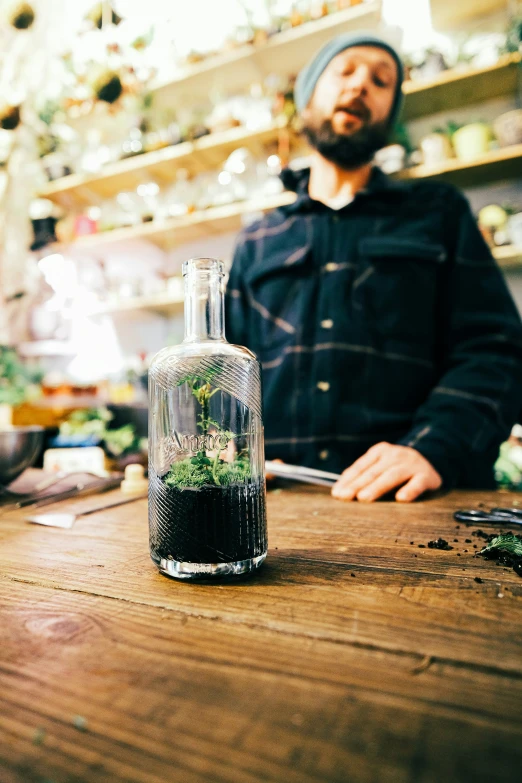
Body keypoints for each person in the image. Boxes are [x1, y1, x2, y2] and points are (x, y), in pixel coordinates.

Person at [225, 33, 522, 503]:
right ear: (307, 99)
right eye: (345, 71)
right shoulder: (257, 239)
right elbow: (227, 370)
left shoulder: (438, 213)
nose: (361, 84)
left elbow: (496, 349)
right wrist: (235, 452)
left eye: (382, 80)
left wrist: (432, 448)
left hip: (412, 501)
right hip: (275, 502)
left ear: (390, 112)